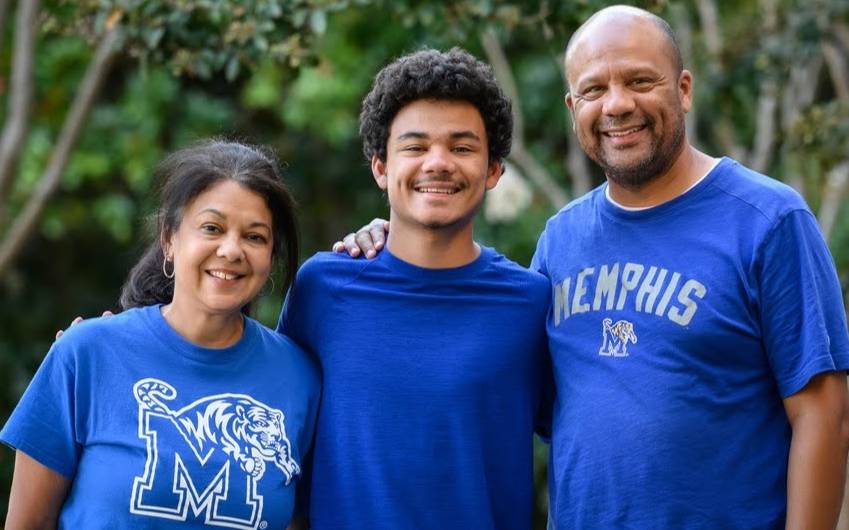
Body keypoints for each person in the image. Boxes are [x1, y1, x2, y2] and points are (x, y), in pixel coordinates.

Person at [339, 6, 849, 528]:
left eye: (639, 81)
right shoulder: (562, 238)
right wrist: (389, 240)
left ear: (685, 89)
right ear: (572, 105)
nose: (617, 105)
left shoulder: (768, 220)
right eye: (594, 90)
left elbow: (823, 415)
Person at [279, 48, 551, 530]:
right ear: (381, 167)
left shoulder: (530, 303)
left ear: (493, 171)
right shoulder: (323, 288)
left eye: (462, 147)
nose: (439, 163)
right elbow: (280, 441)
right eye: (415, 146)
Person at [1, 140, 320, 529]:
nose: (232, 250)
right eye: (212, 228)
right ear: (170, 238)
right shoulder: (85, 354)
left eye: (255, 236)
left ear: (271, 257)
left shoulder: (299, 378)